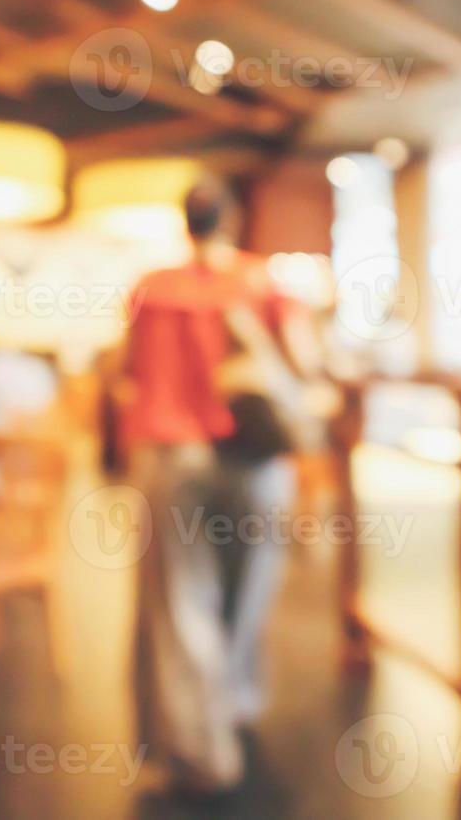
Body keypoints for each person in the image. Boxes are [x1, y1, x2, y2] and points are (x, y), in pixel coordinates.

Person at [122, 179, 310, 795]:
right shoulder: (265, 284)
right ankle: (236, 703)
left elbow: (129, 373)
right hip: (256, 459)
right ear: (232, 220)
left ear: (185, 222)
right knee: (249, 592)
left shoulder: (152, 289)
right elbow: (305, 364)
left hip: (175, 457)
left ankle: (204, 751)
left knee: (183, 606)